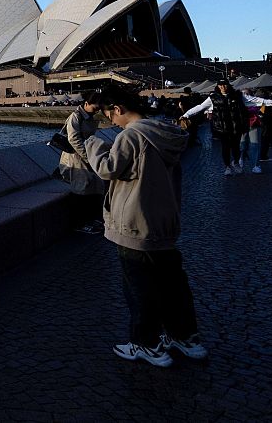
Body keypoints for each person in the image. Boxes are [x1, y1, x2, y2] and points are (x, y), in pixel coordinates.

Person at [84, 85, 203, 368]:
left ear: (119, 109)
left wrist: (92, 143)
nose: (111, 122)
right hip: (164, 223)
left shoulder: (131, 136)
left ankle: (147, 345)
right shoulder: (164, 132)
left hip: (135, 224)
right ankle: (185, 338)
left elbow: (107, 168)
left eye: (109, 115)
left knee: (140, 288)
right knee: (174, 286)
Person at [182, 80, 272, 176]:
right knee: (225, 147)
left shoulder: (238, 95)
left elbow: (256, 100)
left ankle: (236, 162)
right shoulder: (213, 97)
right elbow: (200, 107)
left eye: (224, 85)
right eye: (220, 85)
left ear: (228, 86)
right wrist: (186, 115)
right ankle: (227, 166)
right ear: (218, 86)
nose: (223, 87)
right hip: (222, 127)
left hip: (236, 126)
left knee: (236, 146)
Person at [58, 91, 107, 233]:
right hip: (75, 158)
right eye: (95, 108)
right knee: (81, 188)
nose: (96, 111)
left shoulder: (89, 117)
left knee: (94, 186)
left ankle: (91, 219)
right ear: (86, 103)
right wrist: (87, 156)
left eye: (98, 109)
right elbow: (74, 139)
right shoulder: (75, 117)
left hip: (85, 156)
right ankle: (79, 223)